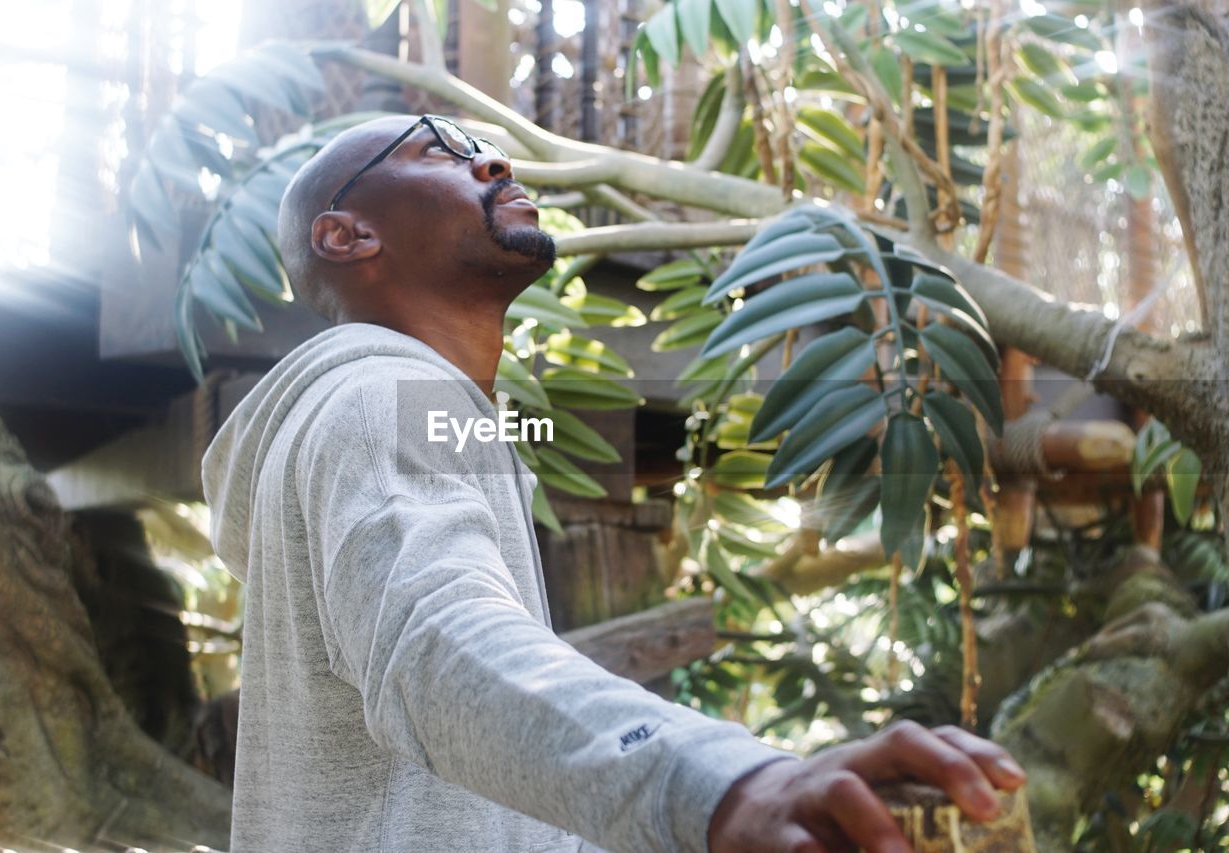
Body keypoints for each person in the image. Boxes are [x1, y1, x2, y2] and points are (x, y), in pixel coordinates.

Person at [201, 114, 1026, 853]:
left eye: (488, 149)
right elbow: (434, 641)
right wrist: (726, 785)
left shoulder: (406, 410)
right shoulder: (381, 394)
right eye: (440, 150)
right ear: (346, 236)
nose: (491, 163)